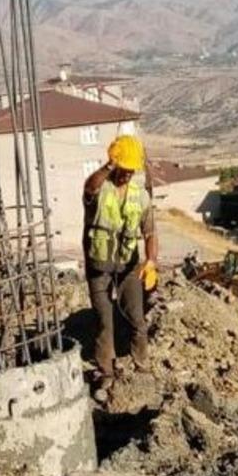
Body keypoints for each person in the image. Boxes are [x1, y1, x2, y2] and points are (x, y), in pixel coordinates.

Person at [83, 134, 158, 382]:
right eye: (123, 168)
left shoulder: (141, 196)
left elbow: (149, 232)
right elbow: (89, 186)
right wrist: (109, 166)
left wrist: (151, 260)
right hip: (99, 266)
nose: (127, 174)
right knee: (104, 320)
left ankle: (142, 365)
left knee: (137, 318)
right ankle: (106, 369)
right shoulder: (99, 189)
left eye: (131, 170)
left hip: (128, 266)